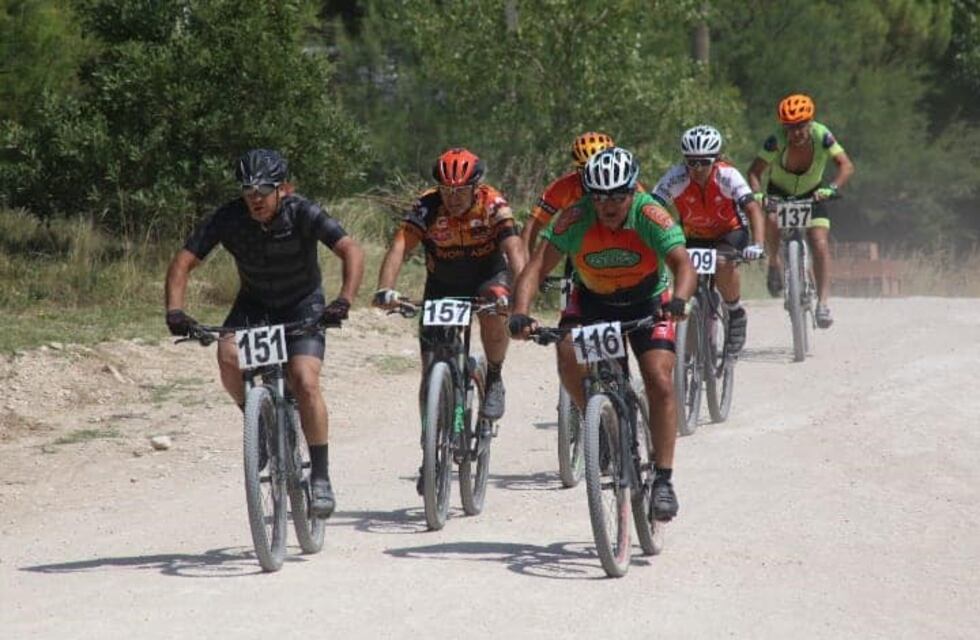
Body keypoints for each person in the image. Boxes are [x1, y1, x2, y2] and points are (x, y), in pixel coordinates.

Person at [164, 148, 364, 518]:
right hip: (255, 304)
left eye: (263, 191)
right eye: (247, 191)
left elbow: (350, 249)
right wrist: (174, 310)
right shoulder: (229, 217)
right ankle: (256, 421)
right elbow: (183, 261)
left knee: (304, 380)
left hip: (303, 304)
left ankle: (320, 476)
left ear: (284, 188)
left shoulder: (303, 211)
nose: (254, 199)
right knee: (227, 356)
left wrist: (343, 301)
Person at [509, 147, 696, 522]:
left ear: (632, 191)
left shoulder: (649, 213)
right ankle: (601, 424)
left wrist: (678, 299)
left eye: (617, 196)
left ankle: (663, 479)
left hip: (648, 300)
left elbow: (683, 264)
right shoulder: (574, 217)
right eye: (599, 196)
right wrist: (520, 313)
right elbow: (535, 267)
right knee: (565, 352)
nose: (608, 205)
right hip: (593, 301)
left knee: (659, 379)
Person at [372, 148, 525, 490]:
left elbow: (515, 250)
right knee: (430, 374)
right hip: (442, 283)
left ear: (475, 187)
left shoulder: (492, 203)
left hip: (489, 276)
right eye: (447, 191)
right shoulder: (426, 207)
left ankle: (495, 376)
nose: (453, 198)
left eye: (460, 191)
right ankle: (430, 453)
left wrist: (522, 300)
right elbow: (400, 245)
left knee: (493, 305)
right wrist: (386, 288)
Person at [651, 125, 766, 354]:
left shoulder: (727, 175)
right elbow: (651, 208)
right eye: (691, 161)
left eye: (704, 161)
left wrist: (758, 244)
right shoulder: (676, 177)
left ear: (716, 159)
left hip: (729, 232)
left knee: (723, 264)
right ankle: (689, 349)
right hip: (695, 236)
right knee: (684, 274)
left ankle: (735, 311)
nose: (697, 168)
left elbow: (752, 208)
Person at [747, 93, 855, 328]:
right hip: (780, 191)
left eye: (801, 126)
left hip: (813, 193)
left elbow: (846, 165)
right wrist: (759, 196)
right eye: (790, 127)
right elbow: (754, 172)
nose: (796, 133)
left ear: (810, 122)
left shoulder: (822, 136)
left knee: (819, 243)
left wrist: (832, 188)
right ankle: (774, 263)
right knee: (773, 221)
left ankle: (823, 303)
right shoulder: (776, 141)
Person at [520, 131, 616, 256]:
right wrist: (524, 270)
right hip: (582, 251)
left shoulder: (629, 187)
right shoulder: (564, 187)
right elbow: (532, 226)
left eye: (602, 169)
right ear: (578, 168)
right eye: (587, 169)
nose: (595, 176)